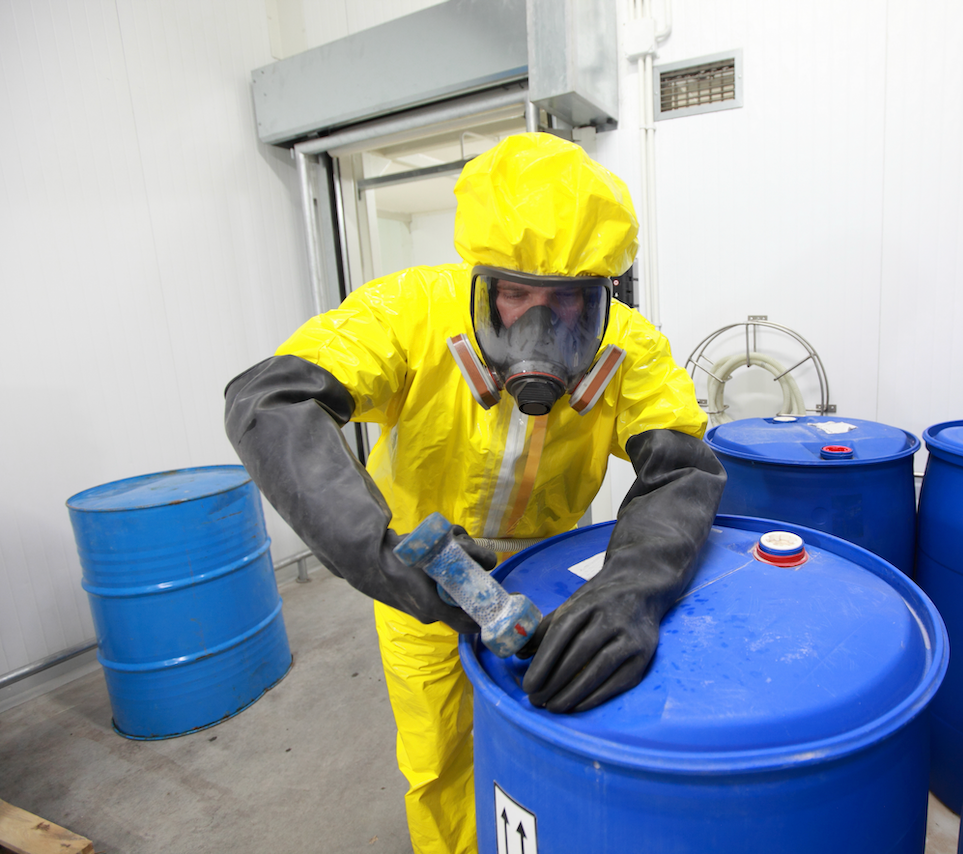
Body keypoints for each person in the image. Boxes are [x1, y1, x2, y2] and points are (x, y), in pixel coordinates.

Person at [223, 132, 726, 854]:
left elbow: (682, 468)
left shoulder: (630, 349)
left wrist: (631, 589)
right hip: (423, 577)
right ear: (480, 280)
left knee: (559, 745)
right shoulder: (412, 313)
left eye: (566, 301)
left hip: (558, 585)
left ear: (603, 295)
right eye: (515, 293)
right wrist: (380, 553)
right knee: (441, 761)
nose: (537, 322)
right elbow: (269, 401)